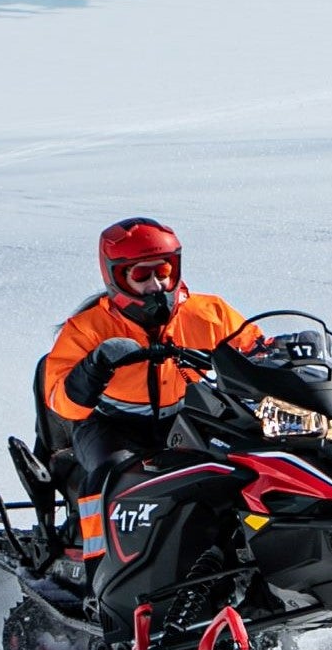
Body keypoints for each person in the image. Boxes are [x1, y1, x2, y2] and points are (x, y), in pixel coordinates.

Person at [41, 218, 261, 564]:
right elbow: (60, 400)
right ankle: (100, 568)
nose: (156, 283)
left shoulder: (209, 313)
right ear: (116, 277)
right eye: (141, 276)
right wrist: (96, 364)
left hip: (188, 419)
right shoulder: (87, 329)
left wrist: (292, 351)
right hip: (111, 425)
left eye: (164, 271)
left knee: (241, 463)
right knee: (110, 472)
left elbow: (256, 349)